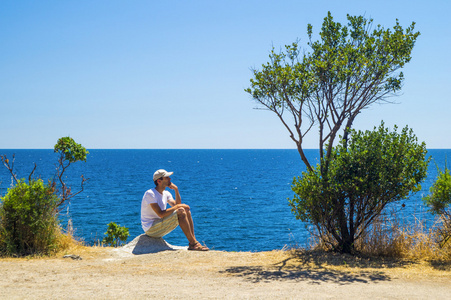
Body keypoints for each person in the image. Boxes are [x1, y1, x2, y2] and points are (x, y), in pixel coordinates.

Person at [141, 169, 209, 251]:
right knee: (180, 210)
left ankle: (193, 242)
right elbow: (161, 214)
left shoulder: (166, 193)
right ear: (159, 181)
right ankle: (193, 243)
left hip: (159, 224)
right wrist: (179, 206)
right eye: (167, 178)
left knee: (186, 210)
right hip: (151, 229)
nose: (170, 179)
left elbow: (178, 205)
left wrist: (176, 190)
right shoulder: (150, 193)